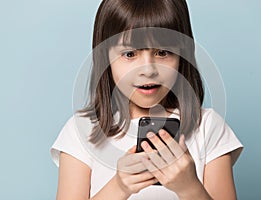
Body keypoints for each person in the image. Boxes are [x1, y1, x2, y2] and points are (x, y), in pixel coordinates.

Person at [51, 0, 243, 199]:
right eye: (130, 54)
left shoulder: (208, 127)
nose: (148, 70)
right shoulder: (82, 131)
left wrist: (189, 187)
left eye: (162, 52)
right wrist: (119, 186)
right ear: (105, 58)